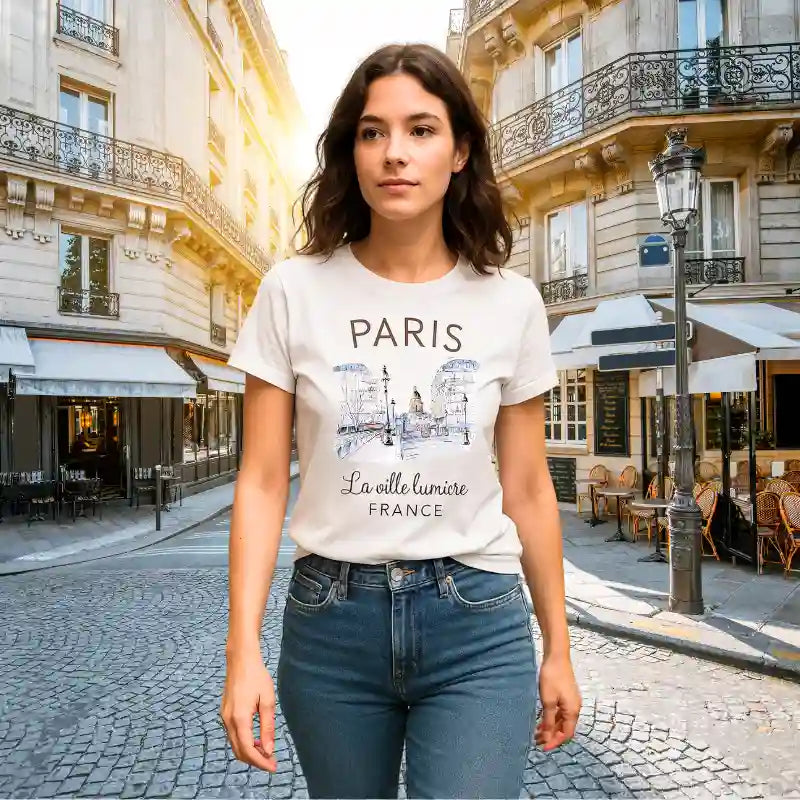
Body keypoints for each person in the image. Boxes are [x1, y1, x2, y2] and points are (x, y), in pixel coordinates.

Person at [220, 43, 581, 799]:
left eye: (421, 130)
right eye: (372, 131)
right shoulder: (293, 291)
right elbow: (258, 482)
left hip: (478, 621)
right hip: (330, 627)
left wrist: (560, 647)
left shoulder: (510, 302)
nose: (394, 154)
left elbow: (526, 486)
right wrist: (241, 651)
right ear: (350, 151)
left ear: (460, 152)